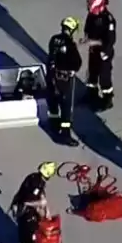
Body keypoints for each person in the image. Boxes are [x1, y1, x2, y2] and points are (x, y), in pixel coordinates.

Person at [47, 16, 83, 146]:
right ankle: (65, 135)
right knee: (66, 107)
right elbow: (77, 63)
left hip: (51, 76)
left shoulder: (53, 39)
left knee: (53, 103)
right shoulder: (70, 44)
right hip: (64, 79)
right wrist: (72, 70)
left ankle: (54, 127)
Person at [11, 162, 56, 243]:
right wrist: (40, 204)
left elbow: (41, 194)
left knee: (28, 229)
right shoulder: (36, 184)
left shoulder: (35, 178)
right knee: (29, 233)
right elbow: (27, 201)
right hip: (25, 210)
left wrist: (46, 209)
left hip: (25, 207)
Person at [83, 0, 117, 111]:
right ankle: (91, 95)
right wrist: (86, 38)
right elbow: (87, 27)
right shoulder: (92, 15)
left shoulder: (109, 20)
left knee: (104, 76)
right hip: (94, 50)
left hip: (104, 52)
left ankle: (107, 99)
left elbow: (110, 40)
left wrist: (93, 42)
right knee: (92, 73)